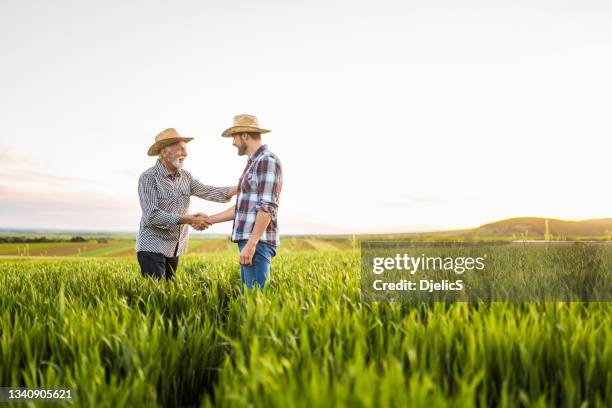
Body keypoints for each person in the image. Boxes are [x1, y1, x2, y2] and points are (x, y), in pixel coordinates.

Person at [136, 128, 237, 279]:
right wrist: (189, 219)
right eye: (181, 149)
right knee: (157, 297)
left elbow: (208, 191)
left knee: (169, 294)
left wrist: (241, 187)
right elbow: (152, 216)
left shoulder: (186, 177)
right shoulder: (148, 178)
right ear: (164, 152)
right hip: (152, 247)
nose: (186, 154)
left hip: (174, 248)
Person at [209, 115, 283, 290]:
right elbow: (242, 208)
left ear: (244, 136)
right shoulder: (253, 163)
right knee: (248, 301)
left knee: (254, 303)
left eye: (234, 137)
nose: (233, 142)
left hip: (257, 244)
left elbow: (267, 207)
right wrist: (209, 219)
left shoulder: (266, 160)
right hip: (251, 242)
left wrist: (252, 244)